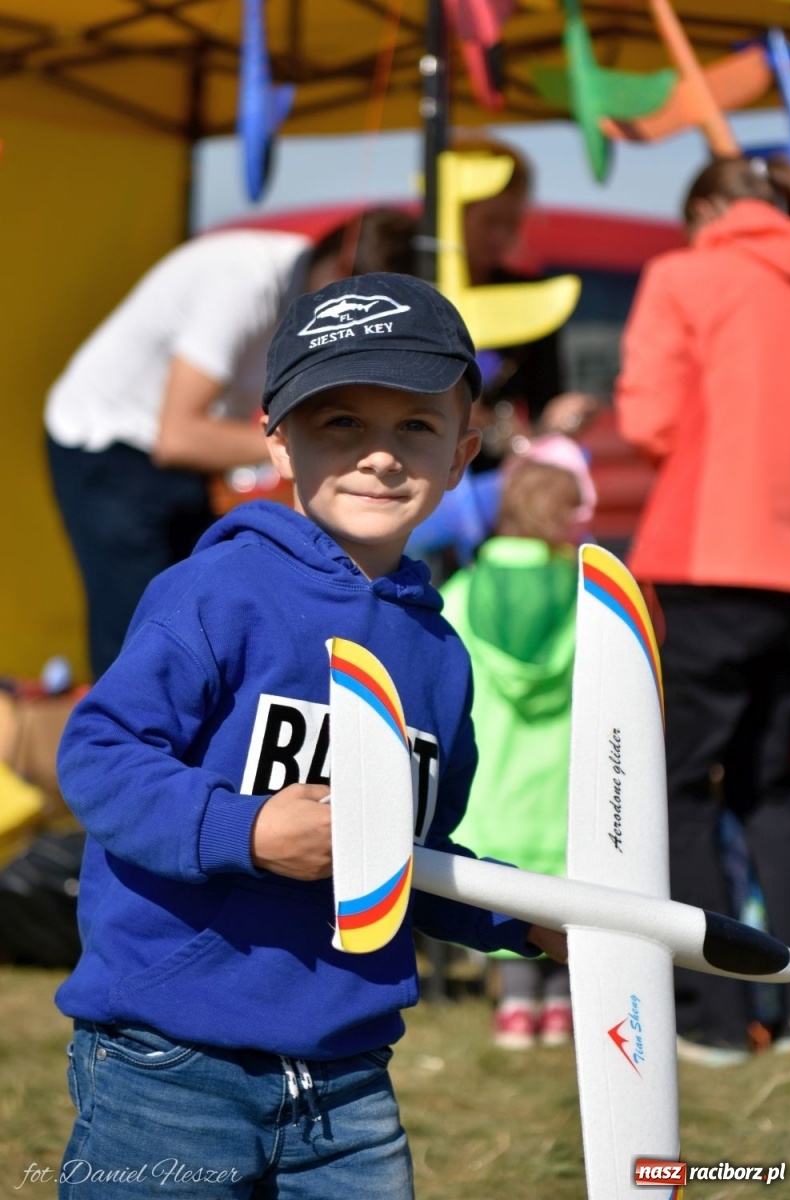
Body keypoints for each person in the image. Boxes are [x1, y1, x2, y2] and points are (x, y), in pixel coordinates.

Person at [53, 271, 566, 1198]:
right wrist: (244, 833)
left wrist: (518, 919)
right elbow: (99, 756)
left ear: (463, 454)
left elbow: (410, 855)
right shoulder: (214, 594)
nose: (380, 456)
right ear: (277, 441)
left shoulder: (441, 656)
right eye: (342, 425)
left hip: (349, 1083)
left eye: (415, 426)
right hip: (169, 1062)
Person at [44, 206, 419, 679]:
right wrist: (315, 446)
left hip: (166, 459)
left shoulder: (300, 291)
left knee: (197, 623)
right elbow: (178, 436)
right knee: (138, 647)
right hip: (105, 447)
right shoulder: (245, 283)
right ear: (343, 276)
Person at [614, 155, 790, 1064]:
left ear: (712, 209)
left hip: (709, 552)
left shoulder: (686, 275)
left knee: (680, 787)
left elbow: (648, 419)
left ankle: (712, 1018)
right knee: (778, 789)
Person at [441, 438, 596, 1048]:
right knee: (566, 902)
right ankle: (560, 1007)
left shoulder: (460, 595)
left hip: (495, 784)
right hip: (565, 787)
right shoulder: (591, 599)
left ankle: (514, 1009)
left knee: (509, 893)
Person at [453, 134, 598, 468]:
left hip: (496, 484)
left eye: (512, 223)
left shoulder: (532, 297)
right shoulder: (413, 289)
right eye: (491, 221)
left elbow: (545, 399)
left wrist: (562, 417)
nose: (502, 237)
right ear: (454, 211)